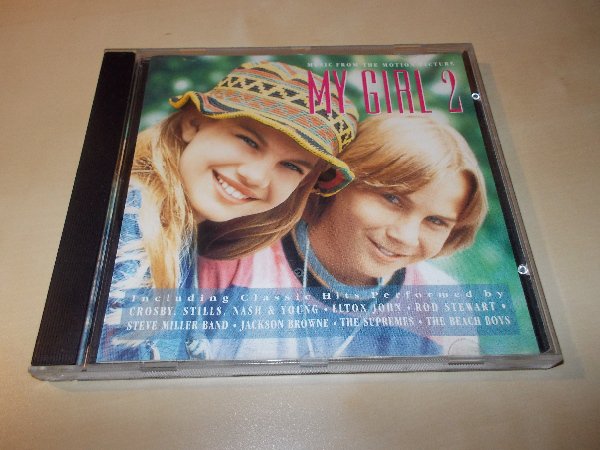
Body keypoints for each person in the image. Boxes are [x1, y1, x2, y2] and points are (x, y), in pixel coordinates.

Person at [96, 61, 359, 361]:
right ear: (193, 123)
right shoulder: (129, 225)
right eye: (248, 141)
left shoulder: (176, 232)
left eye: (291, 166)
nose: (256, 177)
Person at [197, 114, 488, 360]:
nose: (406, 237)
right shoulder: (235, 256)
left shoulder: (442, 304)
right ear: (333, 180)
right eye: (392, 199)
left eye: (436, 221)